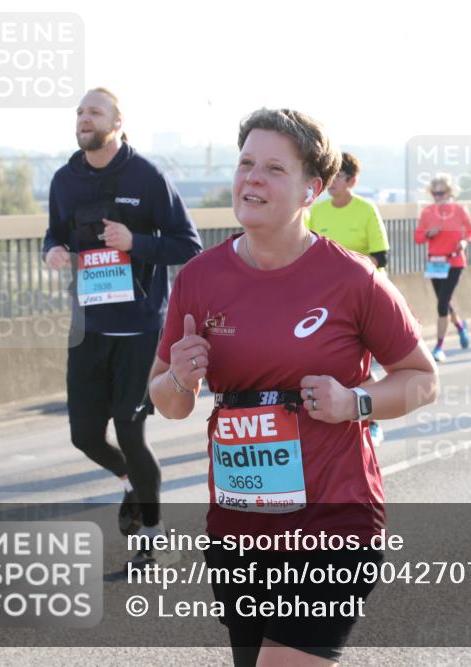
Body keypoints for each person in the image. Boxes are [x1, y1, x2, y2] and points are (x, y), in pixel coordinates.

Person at [148, 107, 438, 667]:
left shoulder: (353, 279)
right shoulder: (200, 278)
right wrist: (180, 377)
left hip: (332, 526)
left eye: (274, 169)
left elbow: (423, 379)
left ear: (312, 189)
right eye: (246, 164)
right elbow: (167, 401)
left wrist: (354, 402)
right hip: (238, 529)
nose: (252, 178)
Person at [42, 87, 202, 568]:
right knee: (84, 436)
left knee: (132, 434)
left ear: (117, 122)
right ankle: (130, 480)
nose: (83, 118)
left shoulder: (147, 176)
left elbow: (188, 246)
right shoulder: (64, 180)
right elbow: (55, 233)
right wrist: (52, 251)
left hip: (139, 331)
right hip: (88, 328)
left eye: (94, 111)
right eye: (80, 112)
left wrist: (136, 241)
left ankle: (150, 532)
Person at [306, 152, 391, 443]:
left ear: (352, 181)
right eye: (330, 176)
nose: (333, 182)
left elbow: (381, 256)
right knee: (336, 361)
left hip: (363, 297)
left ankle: (373, 418)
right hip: (326, 299)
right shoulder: (317, 211)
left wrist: (346, 270)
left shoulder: (366, 210)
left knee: (357, 365)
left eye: (339, 177)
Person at [414, 174, 471, 362]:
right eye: (434, 194)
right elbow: (417, 238)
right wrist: (428, 233)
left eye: (441, 193)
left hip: (454, 261)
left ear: (449, 192)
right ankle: (460, 327)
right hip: (435, 264)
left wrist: (465, 242)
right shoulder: (427, 212)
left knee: (442, 303)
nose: (437, 197)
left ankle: (439, 347)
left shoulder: (459, 210)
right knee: (445, 302)